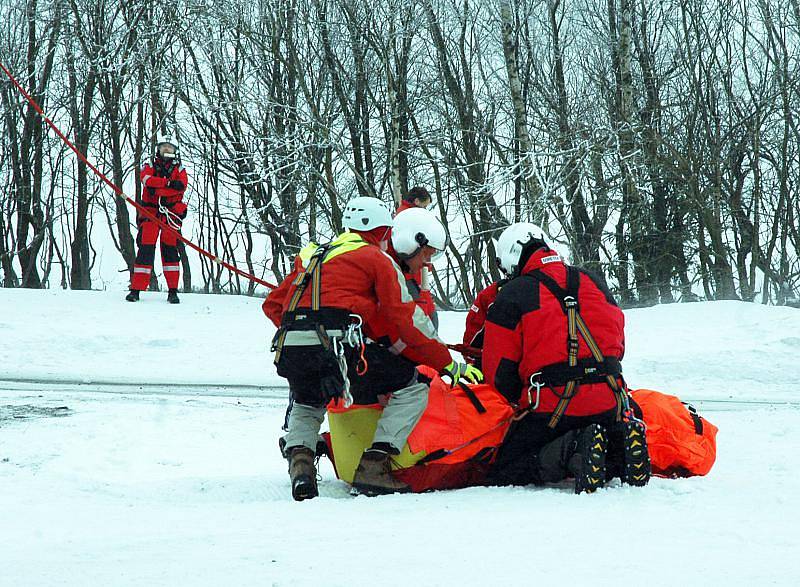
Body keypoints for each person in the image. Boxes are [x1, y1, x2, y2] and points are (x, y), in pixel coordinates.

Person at [263, 197, 482, 501]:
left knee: (308, 400)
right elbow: (403, 320)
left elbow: (273, 305)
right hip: (342, 347)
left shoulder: (314, 255)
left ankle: (301, 468)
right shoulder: (376, 259)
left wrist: (309, 332)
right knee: (413, 385)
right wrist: (448, 364)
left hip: (291, 346)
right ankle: (374, 465)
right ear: (382, 232)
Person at [482, 223, 650, 493]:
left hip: (553, 406)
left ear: (511, 258)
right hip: (611, 398)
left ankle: (572, 450)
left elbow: (498, 371)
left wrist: (516, 400)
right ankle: (618, 448)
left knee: (507, 467)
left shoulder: (513, 294)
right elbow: (618, 346)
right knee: (605, 425)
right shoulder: (593, 281)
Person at [126, 136, 188, 304]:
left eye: (170, 147)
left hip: (170, 213)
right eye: (164, 147)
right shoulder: (149, 165)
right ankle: (136, 289)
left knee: (170, 250)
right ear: (158, 149)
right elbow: (146, 180)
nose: (167, 150)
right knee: (145, 249)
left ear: (175, 151)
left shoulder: (180, 169)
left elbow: (180, 188)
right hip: (151, 213)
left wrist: (160, 188)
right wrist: (168, 184)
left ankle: (173, 290)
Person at [394, 186, 438, 329]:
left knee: (428, 311)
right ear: (417, 201)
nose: (425, 209)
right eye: (424, 206)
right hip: (411, 274)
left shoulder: (404, 215)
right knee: (424, 313)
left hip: (415, 272)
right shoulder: (409, 218)